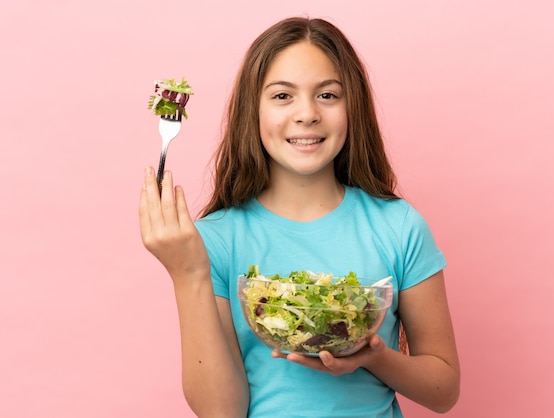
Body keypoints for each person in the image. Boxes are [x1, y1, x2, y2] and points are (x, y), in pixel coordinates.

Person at [139, 16, 460, 418]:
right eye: (282, 96)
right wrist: (188, 274)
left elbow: (444, 391)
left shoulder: (399, 226)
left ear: (352, 107)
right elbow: (222, 412)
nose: (307, 114)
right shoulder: (216, 239)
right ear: (251, 111)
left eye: (327, 95)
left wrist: (370, 356)